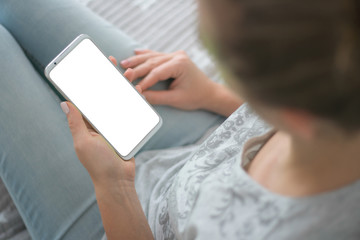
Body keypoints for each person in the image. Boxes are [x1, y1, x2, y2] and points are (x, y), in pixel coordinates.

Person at [1, 0, 359, 240]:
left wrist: (113, 186)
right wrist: (214, 94)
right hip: (204, 145)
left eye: (215, 54)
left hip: (124, 219)